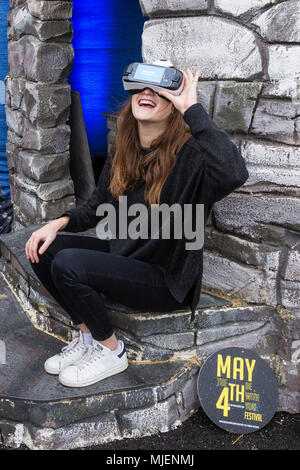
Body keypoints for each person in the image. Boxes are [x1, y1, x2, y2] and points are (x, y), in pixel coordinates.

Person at [25, 68, 249, 388]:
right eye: (141, 88)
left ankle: (111, 350)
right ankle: (87, 337)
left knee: (69, 263)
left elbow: (233, 173)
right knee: (43, 249)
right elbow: (97, 205)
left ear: (172, 107)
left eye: (159, 91)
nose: (147, 93)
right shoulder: (125, 148)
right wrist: (57, 223)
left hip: (165, 278)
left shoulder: (192, 155)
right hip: (126, 255)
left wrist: (192, 109)